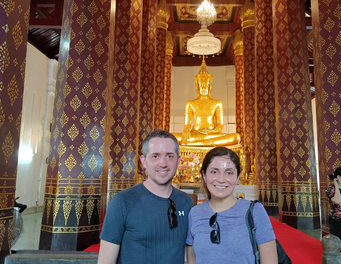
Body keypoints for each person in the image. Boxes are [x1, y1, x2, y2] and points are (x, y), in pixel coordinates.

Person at [97, 130, 194, 264]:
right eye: (155, 156)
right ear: (144, 161)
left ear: (178, 160)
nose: (163, 163)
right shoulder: (123, 202)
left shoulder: (185, 202)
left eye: (169, 156)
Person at [186, 147, 278, 264]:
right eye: (214, 172)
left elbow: (270, 260)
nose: (221, 179)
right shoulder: (195, 214)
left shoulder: (254, 211)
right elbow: (191, 260)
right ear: (204, 175)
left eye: (229, 173)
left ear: (238, 177)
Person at [173, 59, 240, 146]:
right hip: (195, 134)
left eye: (206, 85)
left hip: (211, 134)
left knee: (236, 137)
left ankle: (199, 144)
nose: (203, 88)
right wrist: (186, 130)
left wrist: (213, 131)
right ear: (197, 86)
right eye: (201, 85)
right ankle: (205, 143)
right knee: (172, 137)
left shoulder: (217, 103)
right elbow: (187, 124)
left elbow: (220, 125)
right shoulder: (190, 104)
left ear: (210, 86)